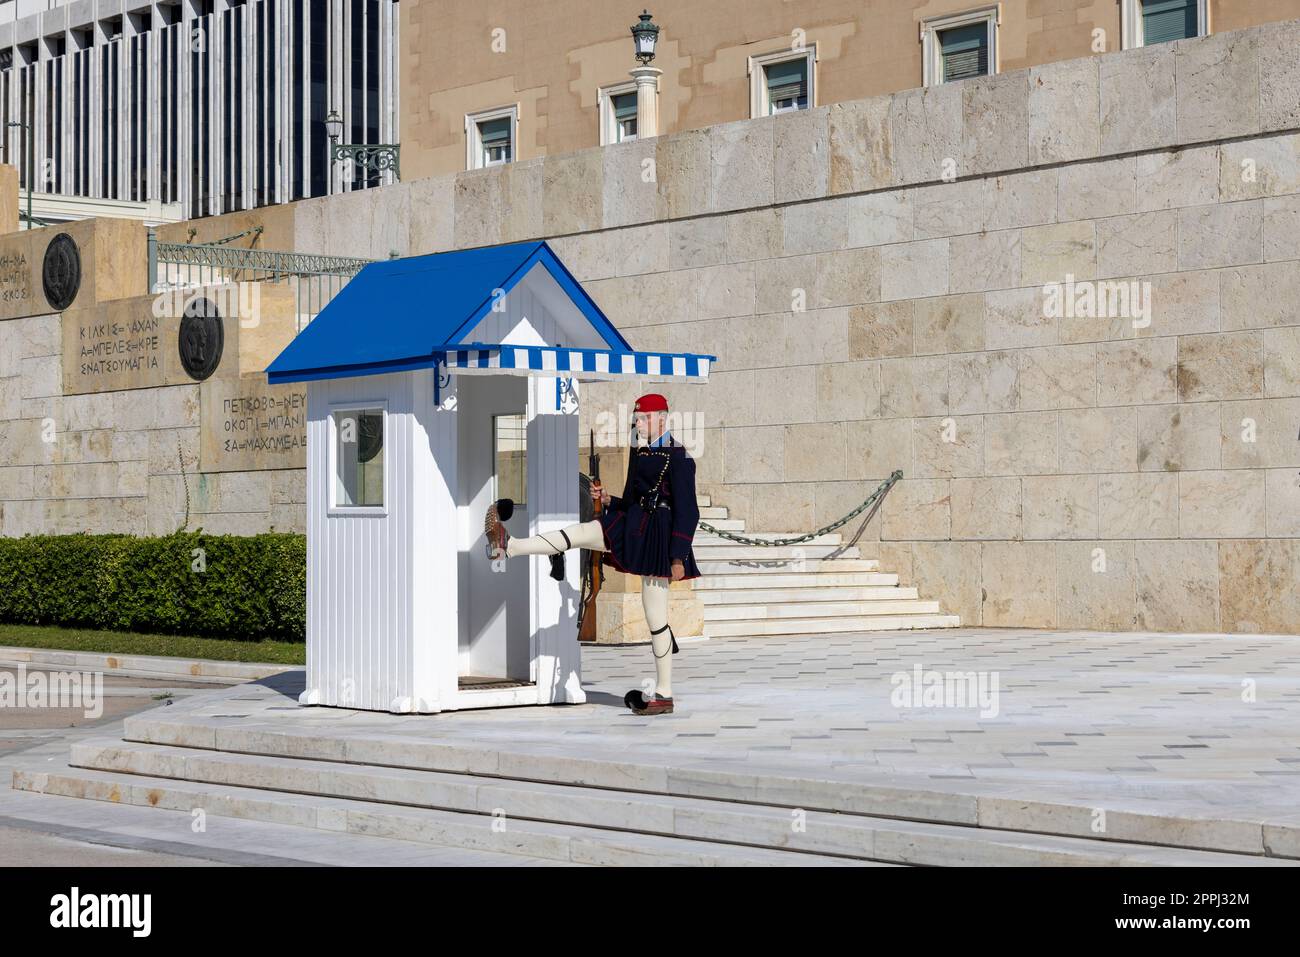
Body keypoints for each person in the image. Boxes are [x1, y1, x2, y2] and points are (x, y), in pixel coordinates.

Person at [483, 392, 700, 715]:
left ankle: (664, 692)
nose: (638, 423)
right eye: (636, 418)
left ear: (662, 418)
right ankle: (510, 546)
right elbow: (631, 500)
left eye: (643, 418)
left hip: (658, 539)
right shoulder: (639, 452)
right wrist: (609, 499)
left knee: (656, 619)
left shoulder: (679, 457)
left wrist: (678, 556)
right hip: (632, 525)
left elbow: (689, 511)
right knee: (578, 533)